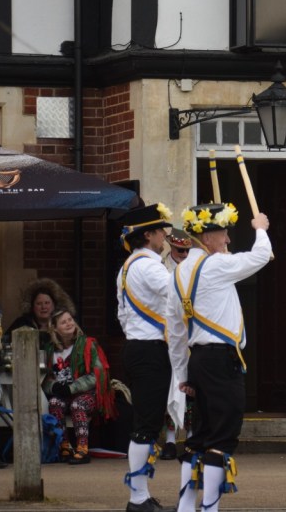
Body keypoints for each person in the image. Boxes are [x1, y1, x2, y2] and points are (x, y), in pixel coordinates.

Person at [167, 202, 271, 512]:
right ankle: (210, 508)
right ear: (207, 237)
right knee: (222, 434)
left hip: (198, 359)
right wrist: (260, 229)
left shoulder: (178, 272)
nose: (227, 240)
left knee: (200, 435)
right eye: (224, 234)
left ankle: (186, 506)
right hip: (222, 360)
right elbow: (261, 256)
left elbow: (175, 332)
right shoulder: (216, 266)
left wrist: (182, 374)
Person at [116, 202, 179, 511]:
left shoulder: (129, 266)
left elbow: (122, 315)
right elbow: (179, 294)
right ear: (148, 235)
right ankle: (137, 498)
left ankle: (139, 496)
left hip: (139, 347)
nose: (165, 236)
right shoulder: (149, 265)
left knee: (147, 423)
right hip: (150, 350)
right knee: (146, 425)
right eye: (160, 231)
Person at [44, 308, 116, 465]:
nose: (69, 323)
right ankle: (64, 446)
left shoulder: (87, 344)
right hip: (63, 394)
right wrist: (53, 387)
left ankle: (82, 449)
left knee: (77, 404)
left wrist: (72, 388)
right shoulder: (50, 350)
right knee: (54, 403)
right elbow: (45, 377)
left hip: (87, 394)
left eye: (70, 320)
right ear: (55, 328)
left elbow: (97, 374)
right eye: (63, 322)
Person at [161, 228, 194, 463]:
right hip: (167, 334)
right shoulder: (161, 269)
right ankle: (170, 440)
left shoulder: (194, 268)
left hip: (190, 334)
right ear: (171, 247)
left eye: (187, 251)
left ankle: (191, 438)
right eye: (180, 251)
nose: (184, 255)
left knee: (191, 388)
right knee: (170, 388)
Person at [9, 278, 76, 347]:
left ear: (54, 304)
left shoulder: (63, 323)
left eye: (47, 303)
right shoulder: (21, 323)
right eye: (39, 303)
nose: (43, 307)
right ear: (32, 306)